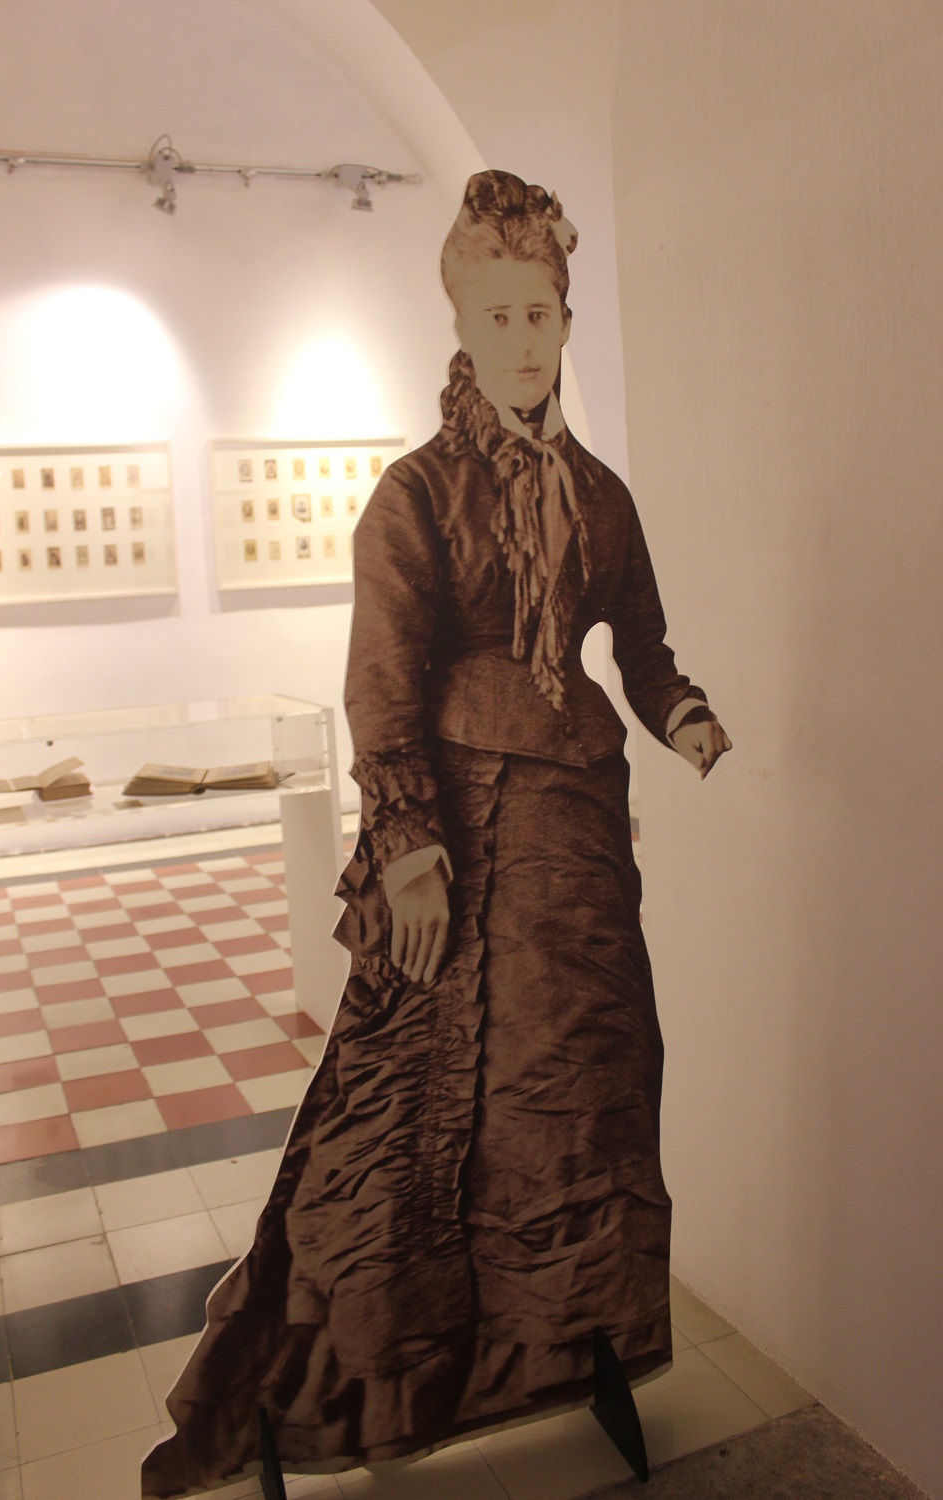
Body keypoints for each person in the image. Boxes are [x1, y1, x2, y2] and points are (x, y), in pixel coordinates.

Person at [142, 169, 730, 1497]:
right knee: (410, 1109)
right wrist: (408, 847)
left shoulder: (604, 497)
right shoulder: (414, 495)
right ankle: (356, 1380)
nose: (524, 340)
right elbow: (383, 683)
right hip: (458, 851)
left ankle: (557, 1346)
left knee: (584, 1090)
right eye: (500, 315)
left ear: (567, 321)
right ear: (462, 320)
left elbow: (640, 646)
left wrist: (683, 713)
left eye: (542, 314)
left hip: (580, 853)